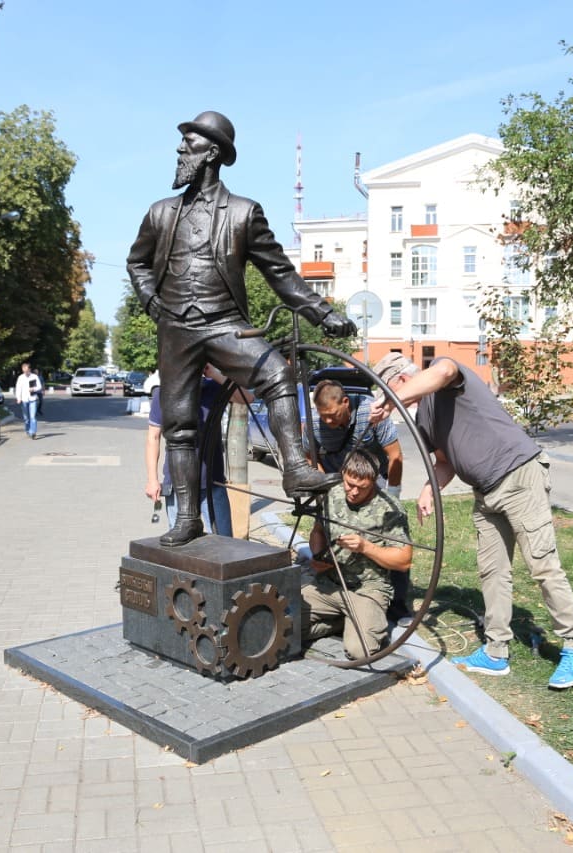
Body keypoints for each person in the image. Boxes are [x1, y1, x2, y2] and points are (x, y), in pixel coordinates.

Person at [126, 110, 357, 547]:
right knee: (180, 425)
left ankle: (295, 469)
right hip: (175, 327)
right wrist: (153, 303)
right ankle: (188, 518)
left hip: (224, 323)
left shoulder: (244, 213)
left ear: (211, 152)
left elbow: (280, 274)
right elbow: (137, 263)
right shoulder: (160, 213)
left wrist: (323, 313)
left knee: (277, 372)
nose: (179, 150)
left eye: (188, 143)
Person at [370, 352, 573, 689]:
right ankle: (495, 651)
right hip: (485, 492)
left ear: (400, 380)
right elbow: (444, 461)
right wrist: (430, 488)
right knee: (492, 571)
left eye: (388, 389)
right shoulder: (424, 421)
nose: (391, 403)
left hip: (519, 476)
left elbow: (445, 370)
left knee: (542, 564)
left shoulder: (441, 376)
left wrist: (391, 401)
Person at [310, 379, 411, 625]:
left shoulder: (370, 412)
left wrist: (392, 497)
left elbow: (395, 455)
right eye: (324, 417)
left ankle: (398, 606)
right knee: (334, 533)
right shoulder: (315, 423)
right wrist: (326, 489)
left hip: (373, 482)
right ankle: (338, 591)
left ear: (345, 402)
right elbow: (310, 456)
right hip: (339, 483)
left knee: (391, 538)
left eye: (333, 415)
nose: (328, 422)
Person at [301, 450, 413, 661]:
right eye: (349, 484)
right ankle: (342, 621)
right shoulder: (332, 494)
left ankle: (359, 620)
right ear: (343, 474)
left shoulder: (389, 508)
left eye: (361, 488)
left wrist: (365, 547)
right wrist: (317, 555)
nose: (352, 492)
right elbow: (317, 531)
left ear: (374, 481)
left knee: (359, 651)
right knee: (283, 625)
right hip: (329, 583)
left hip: (367, 588)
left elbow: (404, 560)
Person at [145, 364, 242, 537]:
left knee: (224, 542)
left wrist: (215, 373)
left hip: (212, 482)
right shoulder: (163, 394)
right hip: (177, 484)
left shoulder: (213, 388)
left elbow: (246, 398)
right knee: (181, 546)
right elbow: (153, 438)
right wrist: (152, 480)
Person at [14, 362, 40, 440]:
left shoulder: (34, 376)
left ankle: (33, 432)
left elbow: (39, 386)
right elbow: (18, 388)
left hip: (33, 399)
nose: (25, 372)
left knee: (33, 417)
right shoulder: (20, 378)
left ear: (29, 369)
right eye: (24, 370)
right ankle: (28, 430)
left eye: (27, 370)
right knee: (26, 418)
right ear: (22, 370)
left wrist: (34, 389)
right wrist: (18, 398)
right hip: (24, 399)